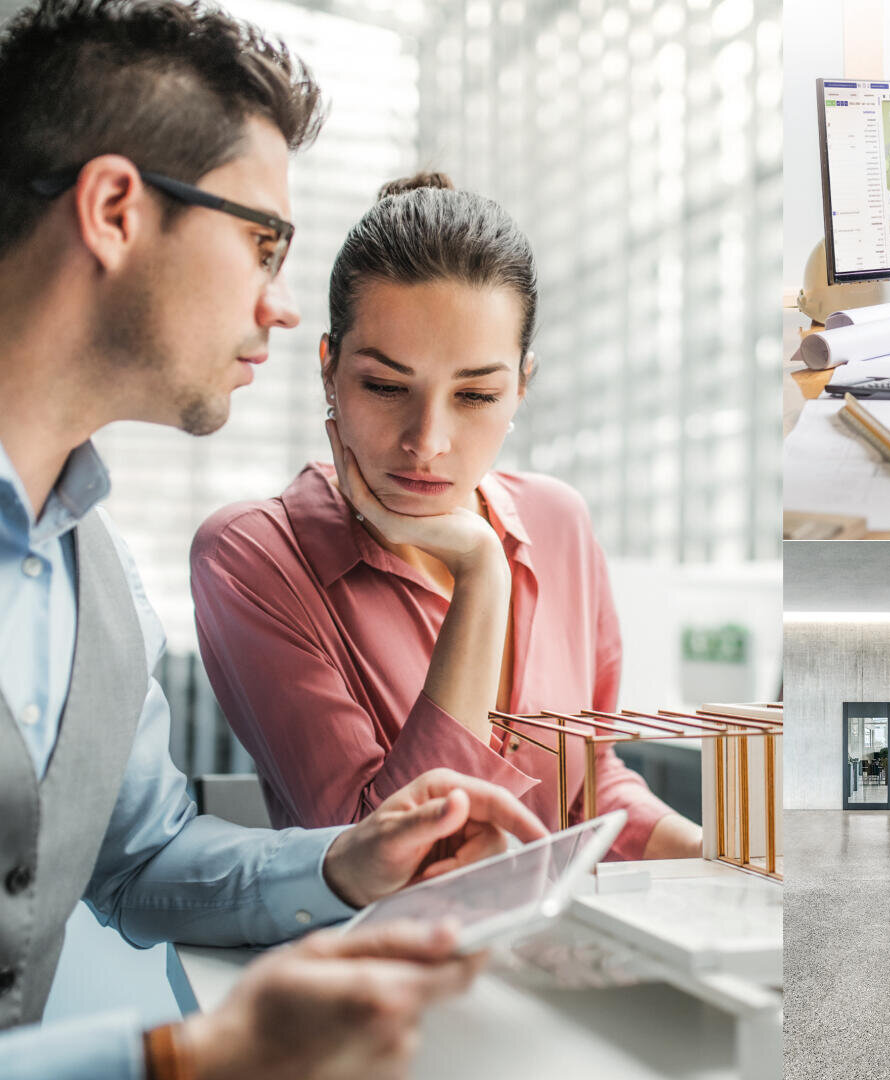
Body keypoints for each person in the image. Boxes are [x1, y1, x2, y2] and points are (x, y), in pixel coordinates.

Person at [0, 3, 547, 1078]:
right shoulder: (240, 557)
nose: (283, 307)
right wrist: (175, 1059)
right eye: (262, 243)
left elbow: (146, 858)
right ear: (114, 209)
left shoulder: (95, 578)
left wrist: (347, 860)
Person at [190, 175, 704, 861]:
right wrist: (480, 571)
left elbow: (590, 790)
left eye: (476, 394)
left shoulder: (558, 520)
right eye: (384, 386)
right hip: (388, 958)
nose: (427, 441)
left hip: (551, 949)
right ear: (328, 369)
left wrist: (724, 857)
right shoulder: (252, 555)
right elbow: (392, 857)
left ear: (520, 385)